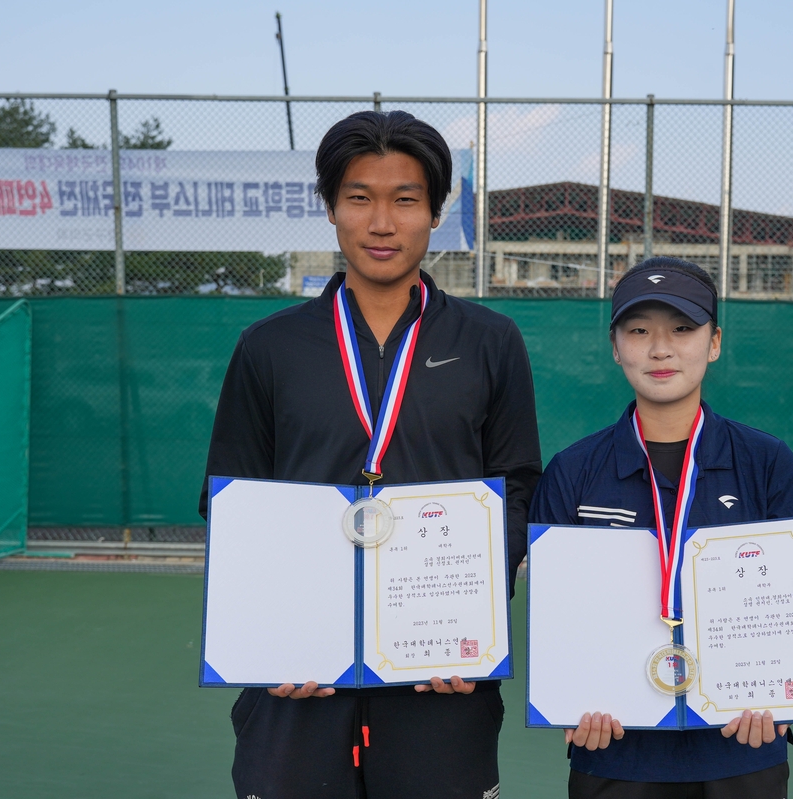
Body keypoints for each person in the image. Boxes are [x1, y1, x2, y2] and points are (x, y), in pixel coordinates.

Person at [200, 110, 542, 799]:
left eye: (405, 200)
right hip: (297, 681)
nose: (381, 222)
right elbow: (229, 496)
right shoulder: (269, 346)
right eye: (359, 198)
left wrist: (470, 621)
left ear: (436, 212)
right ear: (330, 208)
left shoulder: (491, 341)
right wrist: (272, 633)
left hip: (441, 677)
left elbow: (517, 487)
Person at [529, 257, 793, 799]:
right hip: (616, 749)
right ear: (616, 347)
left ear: (714, 342)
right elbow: (557, 615)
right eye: (639, 331)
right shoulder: (573, 471)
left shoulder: (767, 462)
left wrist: (782, 692)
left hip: (740, 744)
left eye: (683, 329)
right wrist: (567, 696)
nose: (660, 349)